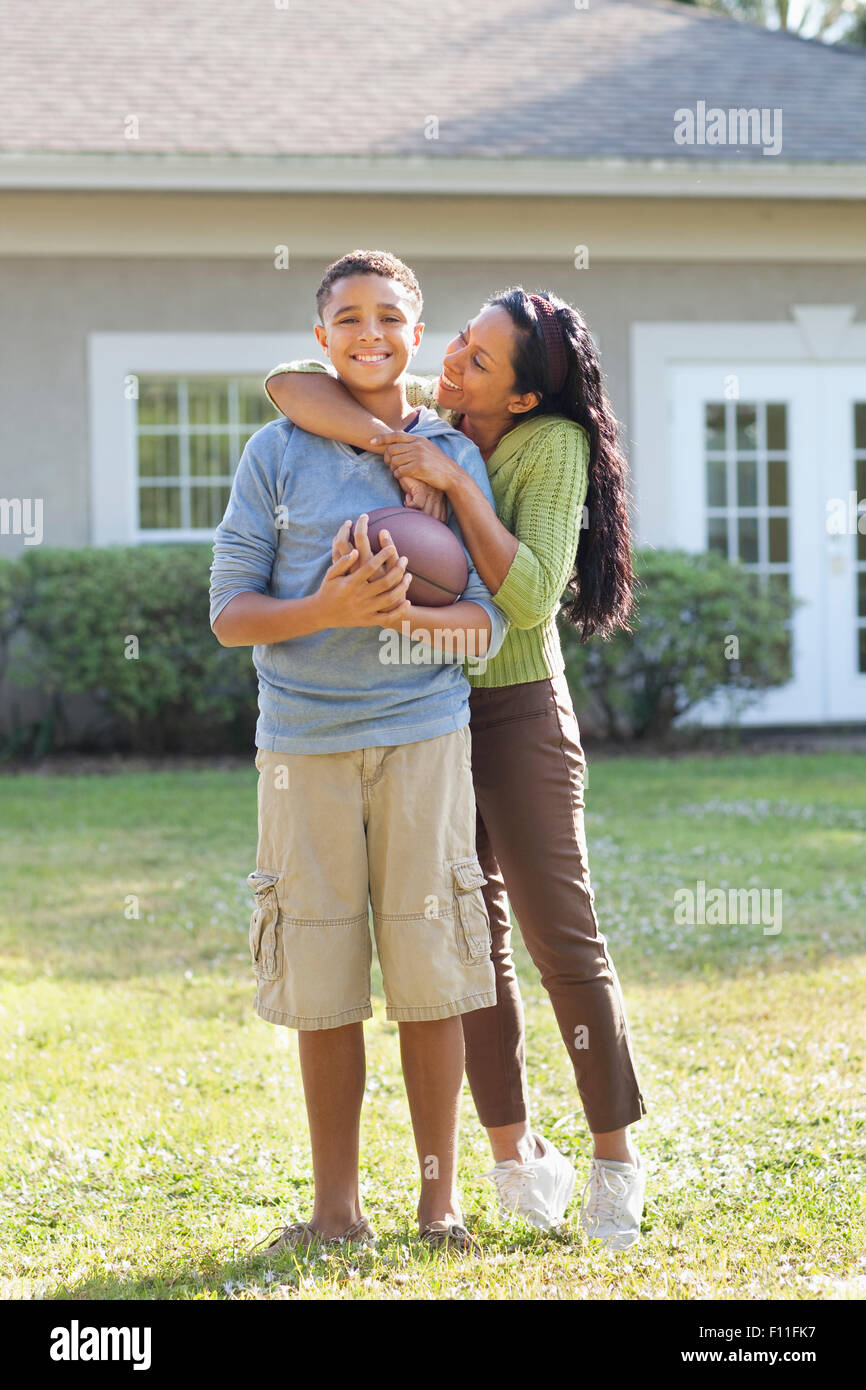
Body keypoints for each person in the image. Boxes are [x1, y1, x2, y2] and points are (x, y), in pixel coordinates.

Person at [265, 283, 649, 1250]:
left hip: (512, 704)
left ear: (521, 396)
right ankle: (514, 1157)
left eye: (479, 360)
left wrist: (459, 490)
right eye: (463, 344)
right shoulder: (429, 423)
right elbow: (288, 385)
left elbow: (523, 602)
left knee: (561, 937)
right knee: (467, 944)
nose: (455, 364)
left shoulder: (545, 447)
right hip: (430, 713)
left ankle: (614, 1162)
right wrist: (399, 448)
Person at [209, 250, 509, 1252]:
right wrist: (326, 608)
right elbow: (228, 613)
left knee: (432, 977)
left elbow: (488, 627)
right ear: (321, 336)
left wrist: (415, 622)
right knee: (323, 981)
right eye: (347, 318)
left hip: (423, 739)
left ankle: (439, 1203)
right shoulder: (276, 451)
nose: (368, 333)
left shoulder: (449, 458)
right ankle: (336, 1210)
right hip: (304, 746)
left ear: (415, 337)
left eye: (388, 316)